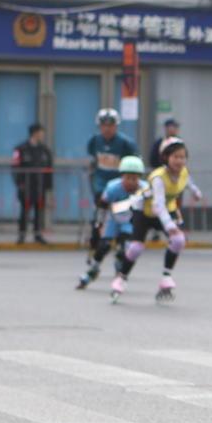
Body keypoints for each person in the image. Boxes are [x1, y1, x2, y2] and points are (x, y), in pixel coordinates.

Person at [114, 136, 200, 303]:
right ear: (166, 157)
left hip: (168, 209)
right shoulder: (158, 177)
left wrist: (196, 192)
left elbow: (188, 181)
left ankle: (166, 276)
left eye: (182, 157)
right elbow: (158, 205)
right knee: (136, 248)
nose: (179, 161)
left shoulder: (183, 171)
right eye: (175, 156)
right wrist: (169, 225)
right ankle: (121, 277)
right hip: (145, 211)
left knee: (178, 240)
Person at [79, 155, 146, 292]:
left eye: (134, 179)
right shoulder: (113, 187)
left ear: (139, 178)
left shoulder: (145, 189)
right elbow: (102, 207)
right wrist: (99, 224)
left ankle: (119, 271)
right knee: (103, 246)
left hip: (130, 222)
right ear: (122, 176)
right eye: (127, 178)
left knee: (124, 248)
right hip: (113, 220)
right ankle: (94, 269)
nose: (131, 182)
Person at [86, 108, 139, 255]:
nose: (107, 129)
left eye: (111, 125)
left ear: (116, 126)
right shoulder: (95, 141)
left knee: (122, 212)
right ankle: (96, 241)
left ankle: (122, 241)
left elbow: (135, 161)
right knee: (100, 211)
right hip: (101, 182)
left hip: (119, 183)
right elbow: (93, 158)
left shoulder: (125, 143)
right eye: (104, 125)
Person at [13, 123, 53, 245]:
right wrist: (19, 183)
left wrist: (48, 186)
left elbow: (49, 168)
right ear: (35, 133)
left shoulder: (45, 150)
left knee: (39, 211)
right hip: (26, 186)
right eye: (41, 132)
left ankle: (37, 234)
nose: (42, 135)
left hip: (40, 186)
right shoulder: (21, 149)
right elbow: (15, 167)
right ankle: (22, 235)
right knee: (24, 211)